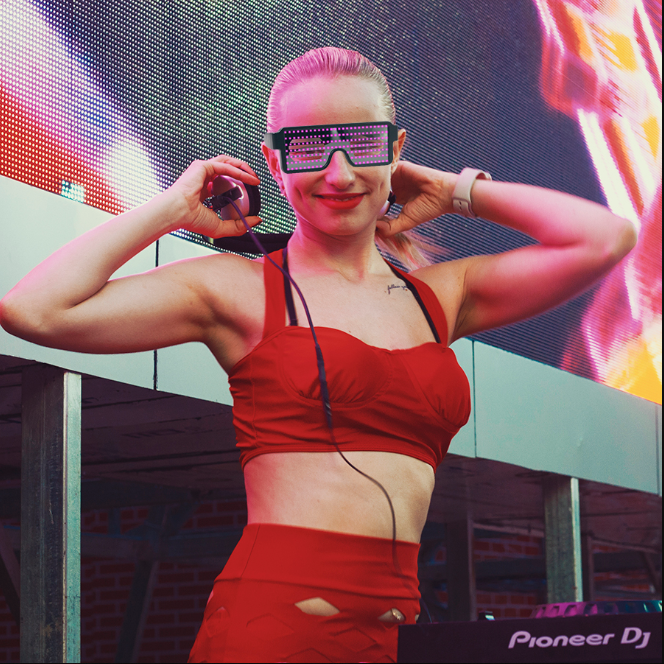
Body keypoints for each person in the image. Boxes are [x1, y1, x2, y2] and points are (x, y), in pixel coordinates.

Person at [0, 47, 636, 663]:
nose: (338, 173)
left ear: (397, 151)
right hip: (274, 633)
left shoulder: (440, 297)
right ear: (274, 162)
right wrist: (171, 208)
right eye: (308, 146)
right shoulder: (239, 289)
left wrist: (454, 189)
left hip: (398, 639)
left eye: (362, 143)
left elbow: (605, 238)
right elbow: (35, 309)